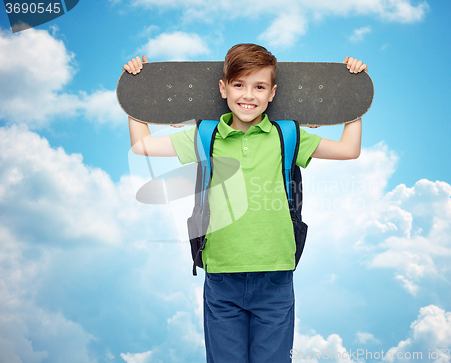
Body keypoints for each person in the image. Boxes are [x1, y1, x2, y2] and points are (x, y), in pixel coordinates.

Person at [123, 44, 366, 363]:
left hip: (275, 275)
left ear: (272, 93)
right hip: (222, 275)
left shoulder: (288, 135)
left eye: (259, 86)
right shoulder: (205, 135)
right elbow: (143, 145)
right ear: (223, 88)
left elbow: (349, 149)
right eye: (239, 84)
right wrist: (134, 93)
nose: (248, 95)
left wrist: (354, 95)